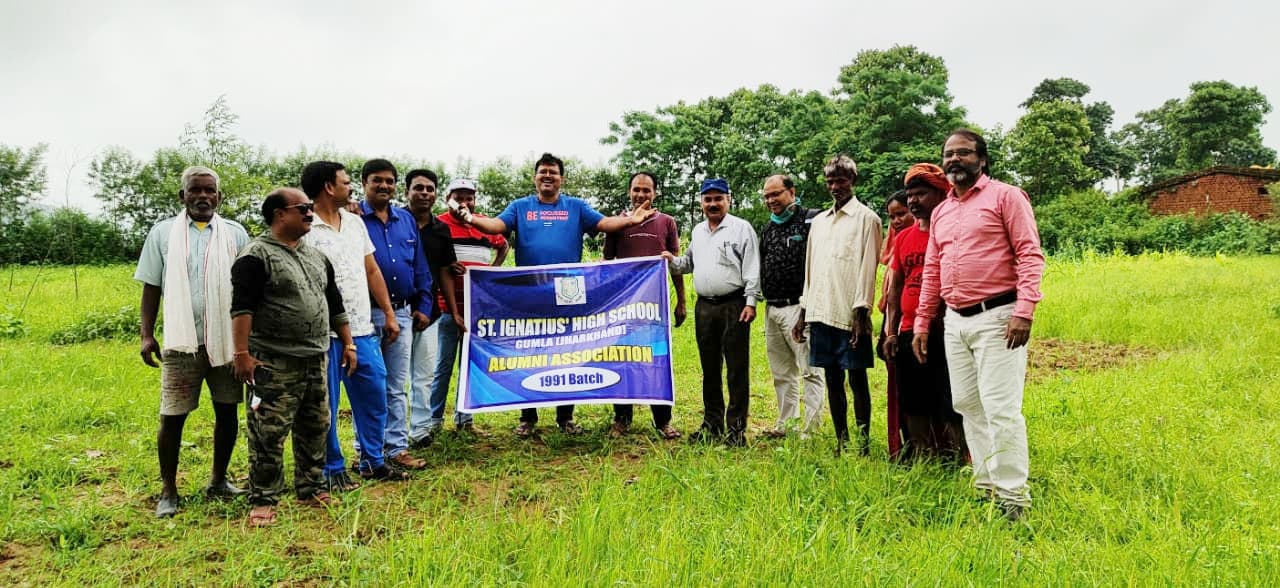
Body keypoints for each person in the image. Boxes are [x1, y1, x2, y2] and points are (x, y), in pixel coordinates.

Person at [460, 152, 655, 437]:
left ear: (561, 178)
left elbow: (605, 224)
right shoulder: (520, 207)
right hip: (530, 292)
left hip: (568, 293)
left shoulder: (576, 207)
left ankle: (565, 417)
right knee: (529, 350)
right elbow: (496, 226)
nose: (548, 176)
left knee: (567, 351)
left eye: (553, 172)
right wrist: (471, 219)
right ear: (535, 178)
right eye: (543, 172)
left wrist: (629, 221)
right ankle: (528, 417)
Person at [912, 129, 1045, 521]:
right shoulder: (942, 212)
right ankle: (986, 482)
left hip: (999, 316)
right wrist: (923, 321)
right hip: (955, 320)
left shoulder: (1006, 197)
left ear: (982, 159)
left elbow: (1030, 254)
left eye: (964, 153)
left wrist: (1025, 310)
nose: (955, 160)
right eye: (948, 154)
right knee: (967, 403)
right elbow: (933, 269)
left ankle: (1013, 497)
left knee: (1001, 408)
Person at [230, 187, 354, 527]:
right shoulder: (255, 256)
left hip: (316, 357)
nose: (311, 213)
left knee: (315, 425)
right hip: (272, 361)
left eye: (311, 208)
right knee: (268, 431)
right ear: (279, 214)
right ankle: (264, 498)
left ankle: (310, 486)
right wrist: (241, 353)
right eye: (303, 208)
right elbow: (241, 309)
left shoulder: (316, 257)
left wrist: (349, 343)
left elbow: (335, 304)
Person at [135, 166, 251, 517]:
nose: (203, 197)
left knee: (227, 410)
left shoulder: (235, 233)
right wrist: (146, 334)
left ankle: (218, 480)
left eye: (209, 191)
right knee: (172, 416)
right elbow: (151, 286)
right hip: (180, 343)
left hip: (225, 341)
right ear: (182, 196)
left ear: (219, 196)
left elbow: (247, 288)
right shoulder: (163, 233)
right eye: (195, 191)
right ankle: (168, 490)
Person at [300, 161, 407, 490]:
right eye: (346, 182)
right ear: (329, 188)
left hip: (362, 328)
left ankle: (373, 460)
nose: (352, 188)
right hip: (324, 334)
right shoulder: (305, 227)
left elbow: (371, 270)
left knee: (374, 395)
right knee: (326, 404)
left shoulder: (355, 223)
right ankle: (333, 468)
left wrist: (388, 313)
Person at [794, 155, 882, 455]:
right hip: (820, 311)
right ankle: (841, 439)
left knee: (857, 380)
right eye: (831, 181)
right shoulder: (818, 222)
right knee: (832, 379)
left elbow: (868, 270)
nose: (835, 186)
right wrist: (803, 312)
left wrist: (862, 312)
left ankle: (864, 442)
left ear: (852, 181)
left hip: (850, 314)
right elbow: (811, 270)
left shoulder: (867, 219)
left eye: (841, 180)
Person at [664, 178, 760, 447]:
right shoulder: (698, 231)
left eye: (718, 199)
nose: (713, 204)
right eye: (708, 199)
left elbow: (752, 267)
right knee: (710, 369)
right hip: (705, 306)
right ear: (701, 202)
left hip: (734, 304)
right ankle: (712, 424)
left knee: (736, 369)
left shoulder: (741, 229)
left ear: (728, 199)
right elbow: (688, 264)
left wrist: (751, 302)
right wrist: (668, 260)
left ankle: (736, 431)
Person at [884, 164, 965, 461]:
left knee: (949, 398)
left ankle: (957, 457)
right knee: (912, 400)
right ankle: (921, 455)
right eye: (911, 195)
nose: (914, 201)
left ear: (941, 193)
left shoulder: (952, 233)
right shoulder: (903, 238)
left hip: (945, 329)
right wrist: (891, 331)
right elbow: (895, 288)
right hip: (907, 330)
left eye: (921, 194)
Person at [357, 159, 431, 470]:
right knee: (368, 386)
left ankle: (397, 448)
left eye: (389, 181)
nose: (384, 186)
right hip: (363, 314)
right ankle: (367, 450)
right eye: (377, 181)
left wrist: (424, 305)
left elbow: (420, 266)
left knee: (396, 386)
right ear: (364, 183)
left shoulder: (405, 219)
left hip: (401, 313)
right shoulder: (352, 218)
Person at [602, 171, 685, 440]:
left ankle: (663, 421)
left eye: (646, 190)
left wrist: (681, 300)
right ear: (629, 192)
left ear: (655, 193)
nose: (641, 195)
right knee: (623, 359)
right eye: (636, 190)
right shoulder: (618, 223)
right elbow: (607, 264)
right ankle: (622, 418)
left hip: (654, 308)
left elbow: (675, 264)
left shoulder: (667, 222)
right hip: (623, 307)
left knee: (656, 360)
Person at [430, 178, 508, 436]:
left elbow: (504, 245)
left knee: (470, 366)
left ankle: (465, 421)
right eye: (458, 196)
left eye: (469, 197)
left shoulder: (484, 225)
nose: (464, 202)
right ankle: (434, 422)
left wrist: (493, 273)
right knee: (443, 366)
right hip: (447, 308)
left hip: (478, 310)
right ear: (448, 198)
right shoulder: (439, 224)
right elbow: (430, 258)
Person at [757, 174, 825, 439]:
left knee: (810, 370)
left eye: (776, 194)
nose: (771, 200)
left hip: (800, 307)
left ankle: (810, 429)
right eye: (767, 196)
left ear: (792, 192)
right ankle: (787, 424)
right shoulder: (768, 228)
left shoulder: (811, 221)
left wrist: (809, 309)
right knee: (782, 372)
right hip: (772, 308)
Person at [404, 169, 458, 446]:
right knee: (393, 379)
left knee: (424, 376)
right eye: (419, 188)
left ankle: (421, 430)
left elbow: (445, 272)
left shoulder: (441, 230)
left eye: (429, 189)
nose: (424, 193)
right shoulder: (396, 221)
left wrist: (454, 311)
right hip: (397, 311)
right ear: (407, 192)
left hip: (431, 314)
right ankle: (394, 435)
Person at [879, 190, 915, 458]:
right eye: (892, 217)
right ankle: (901, 443)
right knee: (898, 386)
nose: (897, 221)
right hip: (894, 320)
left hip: (915, 322)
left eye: (902, 213)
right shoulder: (896, 245)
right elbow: (891, 291)